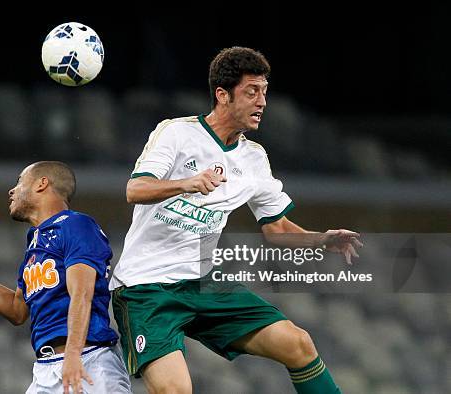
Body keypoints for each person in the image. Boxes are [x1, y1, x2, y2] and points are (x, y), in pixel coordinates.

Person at [110, 47, 362, 394]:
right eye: (251, 92)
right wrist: (186, 183)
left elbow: (278, 229)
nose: (262, 102)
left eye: (264, 92)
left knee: (298, 344)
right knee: (175, 391)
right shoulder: (176, 133)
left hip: (202, 283)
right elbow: (135, 189)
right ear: (222, 95)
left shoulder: (254, 159)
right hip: (146, 288)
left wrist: (322, 239)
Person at [0, 161, 131, 394]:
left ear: (42, 183)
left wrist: (72, 354)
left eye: (20, 181)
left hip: (88, 360)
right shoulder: (35, 243)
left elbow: (82, 292)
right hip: (45, 368)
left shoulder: (76, 225)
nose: (12, 190)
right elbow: (16, 310)